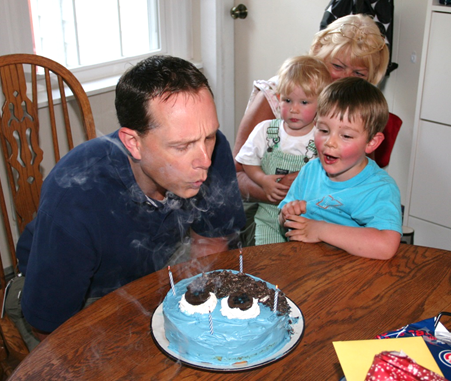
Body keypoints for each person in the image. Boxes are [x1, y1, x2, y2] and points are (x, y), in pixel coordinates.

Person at [9, 55, 246, 349]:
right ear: (133, 143)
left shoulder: (213, 148)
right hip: (69, 303)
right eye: (182, 146)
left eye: (207, 136)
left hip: (151, 275)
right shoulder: (75, 199)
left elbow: (211, 242)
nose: (204, 160)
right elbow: (49, 326)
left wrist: (192, 313)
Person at [234, 14, 390, 246]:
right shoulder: (281, 94)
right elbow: (233, 175)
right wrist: (275, 190)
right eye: (337, 66)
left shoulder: (359, 109)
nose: (345, 78)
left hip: (323, 219)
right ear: (319, 54)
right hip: (264, 213)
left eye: (358, 74)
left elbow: (361, 177)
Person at [278, 77, 402, 260]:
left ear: (372, 142)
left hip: (353, 278)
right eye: (324, 131)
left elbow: (386, 246)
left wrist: (319, 230)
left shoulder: (380, 188)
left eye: (346, 135)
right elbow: (283, 221)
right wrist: (287, 215)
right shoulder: (311, 170)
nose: (330, 142)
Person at [235, 56, 331, 245]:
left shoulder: (323, 137)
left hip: (307, 220)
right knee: (268, 264)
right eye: (288, 100)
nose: (294, 109)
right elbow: (247, 161)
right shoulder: (266, 130)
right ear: (278, 100)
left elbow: (330, 172)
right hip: (267, 219)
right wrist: (263, 181)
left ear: (321, 105)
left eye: (304, 103)